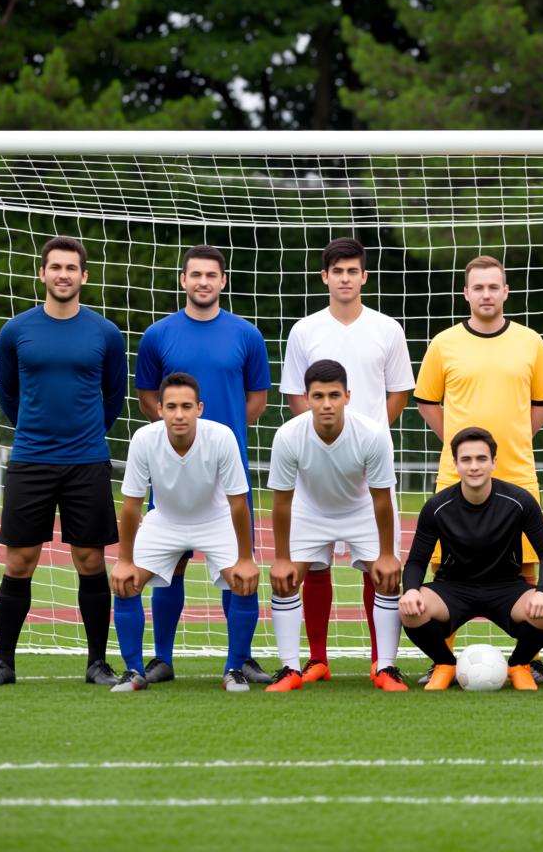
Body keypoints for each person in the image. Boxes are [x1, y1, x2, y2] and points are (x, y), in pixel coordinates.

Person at [0, 236, 126, 687]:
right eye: (55, 267)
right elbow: (9, 397)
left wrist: (82, 434)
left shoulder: (105, 333)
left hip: (87, 461)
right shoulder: (15, 332)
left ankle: (97, 663)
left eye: (71, 268)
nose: (63, 274)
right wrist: (39, 431)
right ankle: (4, 663)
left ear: (84, 276)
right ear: (42, 274)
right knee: (20, 561)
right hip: (31, 460)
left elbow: (113, 398)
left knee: (89, 560)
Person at [414, 255, 543, 683]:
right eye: (478, 287)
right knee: (446, 569)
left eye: (494, 287)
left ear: (506, 291)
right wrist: (462, 450)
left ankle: (526, 660)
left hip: (516, 470)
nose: (486, 294)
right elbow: (426, 401)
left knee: (527, 569)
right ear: (466, 293)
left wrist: (513, 440)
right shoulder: (444, 343)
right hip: (458, 475)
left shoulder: (531, 341)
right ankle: (443, 658)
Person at [133, 244, 271, 685]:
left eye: (211, 275)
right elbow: (148, 400)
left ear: (223, 281)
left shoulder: (247, 335)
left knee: (238, 567)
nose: (203, 282)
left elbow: (257, 400)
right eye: (195, 275)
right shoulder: (158, 335)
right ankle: (162, 659)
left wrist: (217, 438)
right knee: (168, 564)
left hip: (225, 472)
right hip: (174, 470)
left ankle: (241, 658)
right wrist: (182, 434)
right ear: (183, 280)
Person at [279, 237, 414, 683]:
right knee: (314, 564)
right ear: (325, 277)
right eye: (337, 271)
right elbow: (298, 394)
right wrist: (322, 435)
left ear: (364, 276)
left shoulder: (387, 329)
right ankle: (317, 659)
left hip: (368, 464)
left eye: (353, 271)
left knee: (379, 565)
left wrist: (367, 432)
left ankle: (381, 661)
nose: (345, 278)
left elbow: (399, 391)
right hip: (318, 470)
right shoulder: (305, 330)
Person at [109, 373, 259, 692]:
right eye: (172, 406)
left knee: (244, 580)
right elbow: (132, 505)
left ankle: (234, 667)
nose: (180, 414)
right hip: (165, 520)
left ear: (199, 409)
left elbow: (238, 503)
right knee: (125, 582)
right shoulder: (144, 439)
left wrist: (246, 557)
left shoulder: (222, 437)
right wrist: (123, 560)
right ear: (160, 408)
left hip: (216, 519)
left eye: (187, 406)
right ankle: (134, 670)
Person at [265, 360, 406, 692]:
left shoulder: (372, 434)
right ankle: (293, 668)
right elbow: (282, 502)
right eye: (318, 396)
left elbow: (382, 499)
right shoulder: (287, 436)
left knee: (386, 576)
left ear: (348, 396)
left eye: (333, 395)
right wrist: (282, 557)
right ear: (306, 398)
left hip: (362, 509)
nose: (326, 404)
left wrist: (386, 553)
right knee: (285, 580)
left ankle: (384, 666)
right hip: (310, 509)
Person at [400, 427, 543, 691]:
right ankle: (445, 664)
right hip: (453, 587)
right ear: (456, 464)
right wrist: (411, 591)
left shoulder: (519, 501)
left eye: (481, 459)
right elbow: (416, 560)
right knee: (410, 611)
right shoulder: (437, 506)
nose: (474, 466)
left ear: (494, 462)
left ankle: (518, 665)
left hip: (506, 586)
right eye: (466, 460)